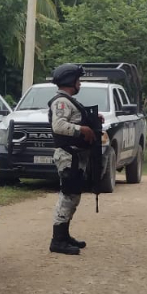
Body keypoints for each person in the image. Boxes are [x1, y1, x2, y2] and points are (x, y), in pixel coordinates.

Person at [47, 63, 101, 255]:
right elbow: (59, 125)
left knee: (73, 196)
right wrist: (82, 129)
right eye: (78, 80)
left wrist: (92, 121)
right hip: (67, 156)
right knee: (67, 196)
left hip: (75, 157)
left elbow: (73, 120)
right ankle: (58, 240)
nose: (80, 83)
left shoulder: (68, 101)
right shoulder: (61, 101)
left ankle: (64, 235)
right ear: (71, 81)